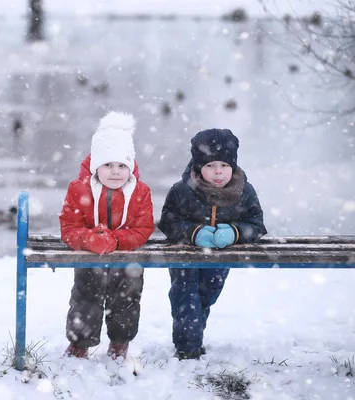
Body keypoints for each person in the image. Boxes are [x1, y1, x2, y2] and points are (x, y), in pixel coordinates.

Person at [158, 128, 267, 360]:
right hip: (185, 256)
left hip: (220, 258)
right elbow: (168, 221)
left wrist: (236, 233)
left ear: (233, 166)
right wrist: (193, 232)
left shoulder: (244, 191)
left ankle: (193, 336)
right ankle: (188, 348)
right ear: (198, 166)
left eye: (224, 166)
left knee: (207, 296)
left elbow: (256, 223)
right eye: (210, 166)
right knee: (185, 296)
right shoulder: (182, 190)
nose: (218, 172)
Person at [59, 111, 155, 360]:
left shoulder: (140, 191)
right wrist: (89, 239)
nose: (115, 172)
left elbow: (144, 228)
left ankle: (120, 341)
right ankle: (80, 342)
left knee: (127, 298)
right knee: (86, 296)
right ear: (95, 166)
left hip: (127, 256)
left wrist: (118, 240)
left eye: (122, 165)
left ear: (131, 166)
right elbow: (69, 227)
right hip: (90, 256)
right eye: (108, 165)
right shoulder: (79, 189)